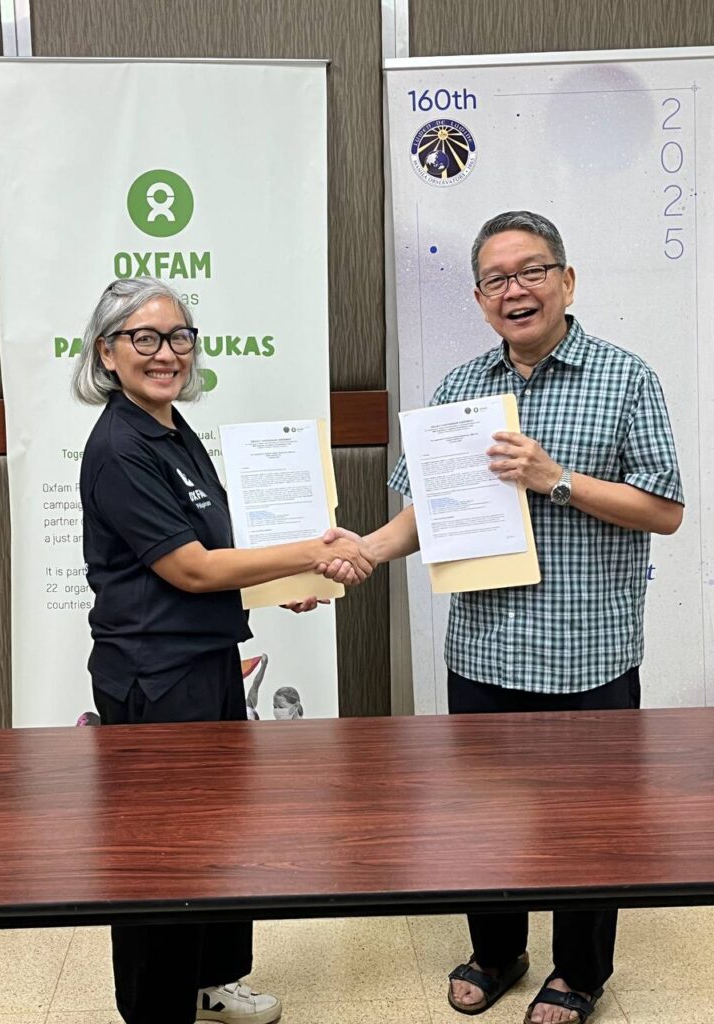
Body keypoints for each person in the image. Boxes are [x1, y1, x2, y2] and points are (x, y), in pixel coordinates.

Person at [321, 211, 684, 1024]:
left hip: (589, 655)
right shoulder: (460, 390)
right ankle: (497, 952)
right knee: (482, 823)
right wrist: (365, 551)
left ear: (566, 281)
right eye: (495, 278)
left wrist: (557, 480)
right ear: (481, 298)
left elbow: (665, 510)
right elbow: (424, 512)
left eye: (531, 271)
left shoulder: (627, 378)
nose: (514, 289)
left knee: (587, 831)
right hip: (485, 653)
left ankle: (579, 973)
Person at [72, 277, 371, 1024]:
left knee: (217, 834)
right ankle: (157, 1009)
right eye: (144, 338)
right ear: (107, 352)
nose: (165, 353)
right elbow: (191, 570)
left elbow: (217, 548)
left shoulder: (171, 428)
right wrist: (311, 552)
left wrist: (286, 583)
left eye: (179, 337)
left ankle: (208, 983)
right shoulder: (120, 447)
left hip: (203, 663)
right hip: (155, 679)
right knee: (163, 857)